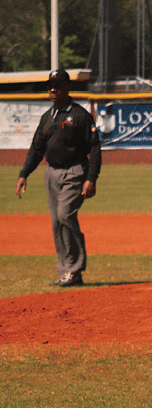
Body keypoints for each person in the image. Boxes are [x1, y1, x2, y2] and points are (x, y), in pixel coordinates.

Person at [15, 68, 102, 286]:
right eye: (50, 85)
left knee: (65, 215)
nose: (53, 89)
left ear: (67, 87)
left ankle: (75, 267)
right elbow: (36, 149)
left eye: (57, 85)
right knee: (56, 223)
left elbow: (94, 148)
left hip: (74, 172)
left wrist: (91, 178)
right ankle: (67, 272)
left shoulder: (80, 115)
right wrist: (24, 173)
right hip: (51, 173)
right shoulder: (47, 118)